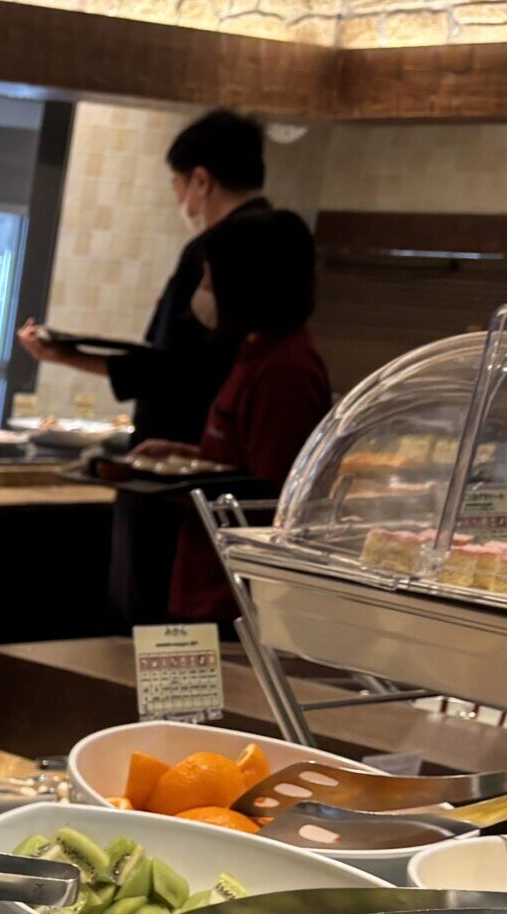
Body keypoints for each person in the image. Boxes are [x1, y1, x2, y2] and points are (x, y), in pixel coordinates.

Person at [19, 107, 271, 624]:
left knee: (151, 620)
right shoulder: (269, 243)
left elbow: (171, 366)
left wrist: (63, 354)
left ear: (201, 181)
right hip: (217, 472)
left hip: (174, 481)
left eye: (178, 185)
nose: (180, 200)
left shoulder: (216, 249)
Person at [131, 206, 332, 621]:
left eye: (210, 278)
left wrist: (177, 485)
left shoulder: (285, 372)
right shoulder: (254, 352)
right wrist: (184, 456)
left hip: (233, 598)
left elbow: (269, 497)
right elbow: (239, 457)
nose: (203, 290)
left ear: (244, 282)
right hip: (207, 579)